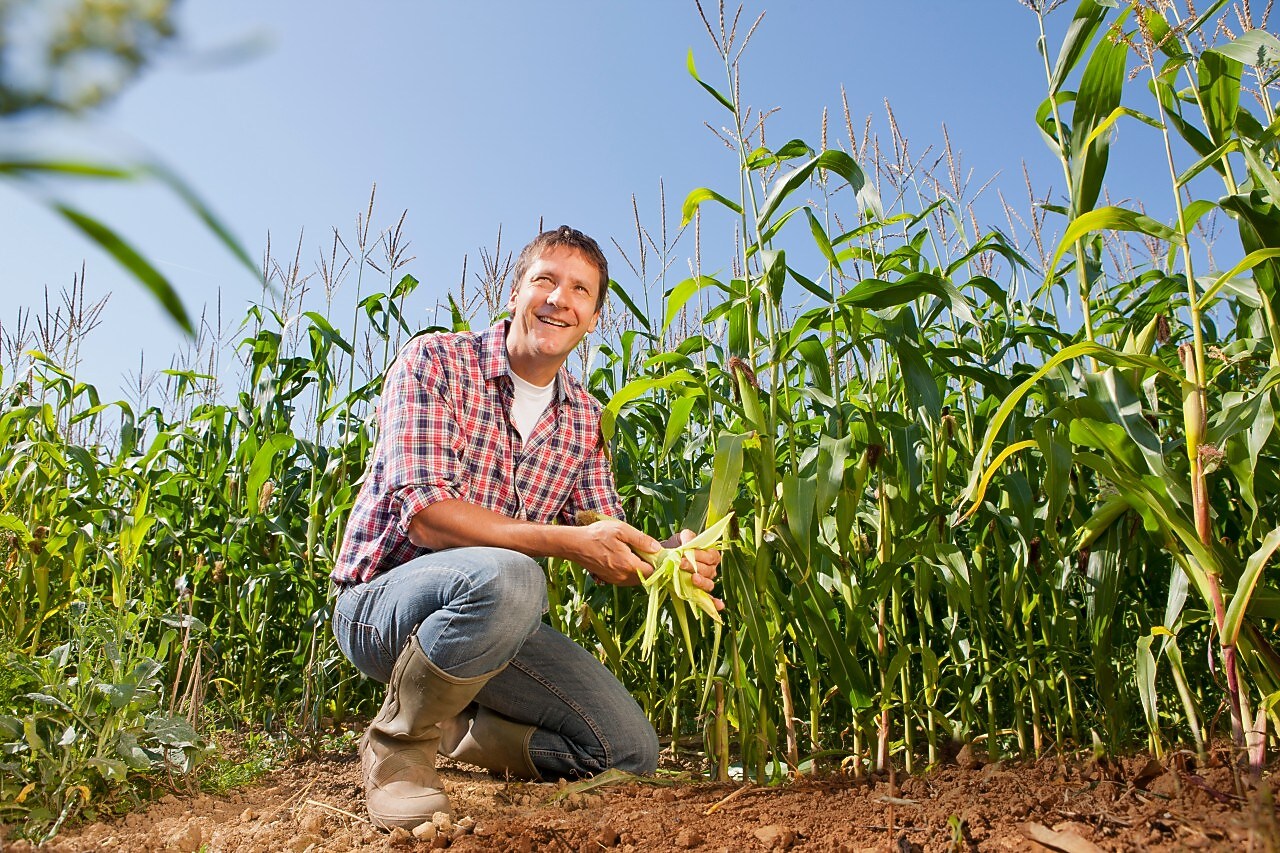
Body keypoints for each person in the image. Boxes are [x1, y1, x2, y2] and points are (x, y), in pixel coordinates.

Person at [329, 226, 723, 830]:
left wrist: (667, 557)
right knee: (513, 576)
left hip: (493, 623)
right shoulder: (437, 362)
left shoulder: (586, 420)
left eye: (580, 291)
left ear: (594, 318)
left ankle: (458, 730)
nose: (558, 299)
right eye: (544, 279)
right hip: (382, 607)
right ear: (515, 293)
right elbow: (427, 516)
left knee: (627, 752)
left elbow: (601, 530)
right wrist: (566, 542)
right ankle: (399, 749)